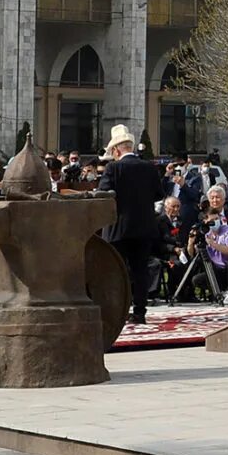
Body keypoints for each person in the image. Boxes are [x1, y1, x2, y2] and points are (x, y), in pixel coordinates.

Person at [102, 126, 165, 326]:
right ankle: (140, 312)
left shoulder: (113, 168)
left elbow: (104, 193)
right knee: (140, 271)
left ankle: (118, 311)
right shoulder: (149, 167)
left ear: (116, 150)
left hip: (118, 227)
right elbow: (159, 194)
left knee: (117, 272)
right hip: (144, 227)